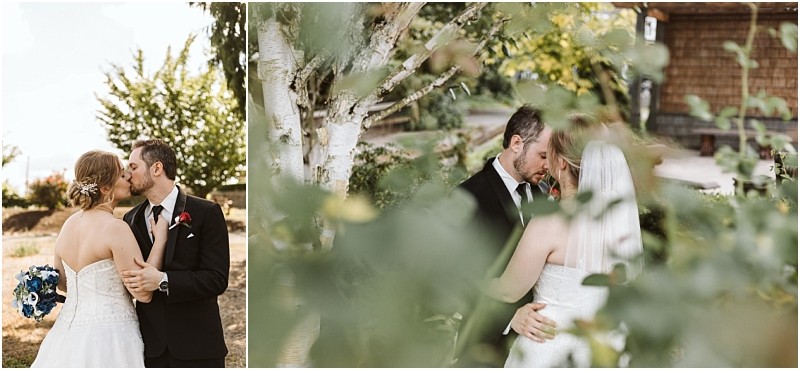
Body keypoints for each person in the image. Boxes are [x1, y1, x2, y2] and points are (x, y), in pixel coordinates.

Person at [484, 117, 644, 367]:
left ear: (560, 161)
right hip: (605, 347)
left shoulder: (549, 223)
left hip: (550, 346)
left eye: (549, 155)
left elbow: (508, 290)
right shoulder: (617, 223)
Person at [32, 150, 168, 367]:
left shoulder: (69, 225)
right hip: (111, 336)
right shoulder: (116, 228)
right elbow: (143, 293)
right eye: (122, 175)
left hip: (66, 334)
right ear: (106, 189)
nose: (129, 177)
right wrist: (160, 240)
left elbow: (64, 283)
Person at [456, 106, 558, 366]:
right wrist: (511, 318)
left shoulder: (541, 193)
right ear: (516, 143)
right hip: (485, 345)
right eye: (543, 156)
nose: (548, 167)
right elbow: (457, 277)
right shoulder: (467, 197)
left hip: (533, 347)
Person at [121, 139, 230, 368]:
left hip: (198, 346)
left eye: (133, 167)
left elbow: (217, 279)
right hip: (150, 349)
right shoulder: (130, 220)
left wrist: (162, 281)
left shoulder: (206, 212)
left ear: (157, 168)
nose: (128, 174)